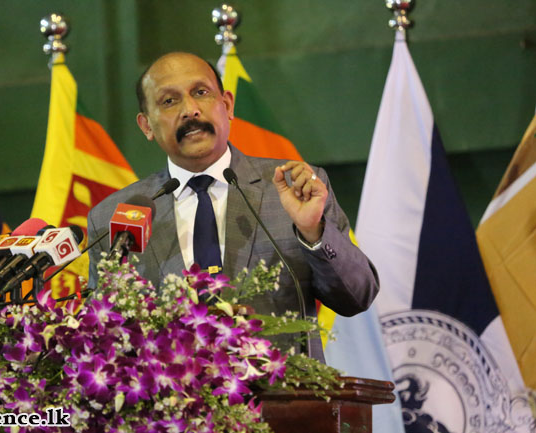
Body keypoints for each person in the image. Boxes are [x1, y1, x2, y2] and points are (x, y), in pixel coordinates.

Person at [87, 52, 379, 361]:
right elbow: (104, 335)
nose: (190, 110)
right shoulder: (114, 217)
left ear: (227, 105)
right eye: (169, 101)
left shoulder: (294, 187)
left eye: (201, 93)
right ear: (146, 125)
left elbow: (357, 297)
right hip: (172, 401)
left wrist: (313, 232)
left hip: (284, 399)